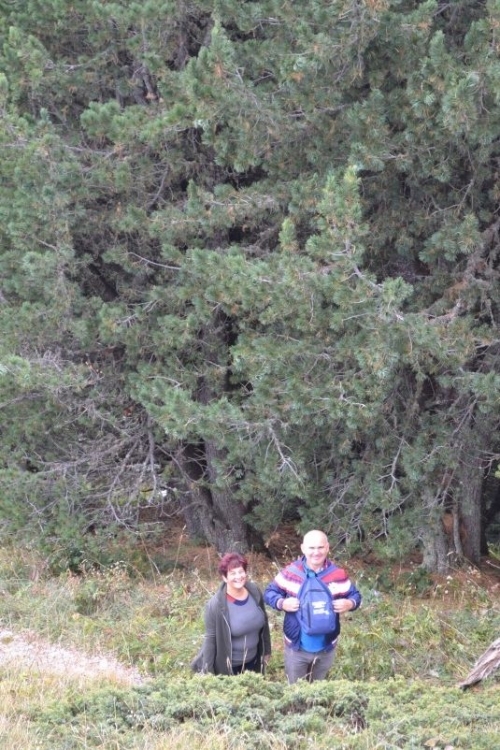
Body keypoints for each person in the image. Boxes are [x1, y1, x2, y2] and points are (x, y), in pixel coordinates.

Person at [264, 529, 361, 684]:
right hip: (296, 648)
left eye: (320, 547)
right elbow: (269, 593)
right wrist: (282, 603)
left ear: (327, 548)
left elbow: (355, 595)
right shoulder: (291, 573)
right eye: (311, 548)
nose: (316, 552)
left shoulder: (337, 575)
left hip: (326, 648)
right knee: (296, 691)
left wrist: (350, 603)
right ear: (303, 548)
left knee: (318, 691)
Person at [191, 551, 272, 676]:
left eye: (241, 571)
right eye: (232, 573)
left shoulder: (254, 592)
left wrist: (266, 651)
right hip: (229, 668)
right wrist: (208, 672)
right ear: (224, 578)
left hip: (254, 662)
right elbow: (210, 639)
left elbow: (264, 622)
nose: (238, 576)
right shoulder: (216, 605)